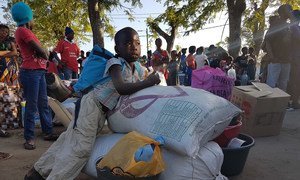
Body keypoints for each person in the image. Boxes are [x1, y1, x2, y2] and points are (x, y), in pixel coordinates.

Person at [25, 27, 161, 179]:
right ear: (117, 48)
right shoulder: (115, 63)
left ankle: (37, 173)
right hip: (91, 106)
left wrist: (152, 78)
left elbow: (141, 80)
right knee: (80, 149)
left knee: (67, 141)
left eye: (137, 42)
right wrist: (149, 82)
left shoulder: (135, 68)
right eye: (128, 43)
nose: (134, 46)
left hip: (97, 111)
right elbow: (122, 88)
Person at [11, 2, 58, 150]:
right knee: (32, 106)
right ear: (27, 17)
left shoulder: (26, 32)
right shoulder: (23, 31)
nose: (33, 21)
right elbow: (43, 52)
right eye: (31, 17)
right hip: (31, 72)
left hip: (37, 71)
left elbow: (41, 52)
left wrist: (42, 52)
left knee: (43, 103)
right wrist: (43, 51)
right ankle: (29, 138)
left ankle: (48, 131)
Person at [264, 5, 292, 92]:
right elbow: (267, 42)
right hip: (276, 60)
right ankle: (268, 105)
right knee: (271, 86)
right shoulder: (275, 24)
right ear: (282, 12)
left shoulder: (290, 25)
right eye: (289, 10)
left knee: (283, 86)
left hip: (286, 61)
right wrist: (272, 57)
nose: (290, 12)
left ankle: (280, 105)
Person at [288, 9, 300, 108]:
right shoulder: (293, 27)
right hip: (294, 58)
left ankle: (294, 100)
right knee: (294, 80)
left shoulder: (295, 27)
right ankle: (294, 101)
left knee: (295, 80)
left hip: (295, 57)